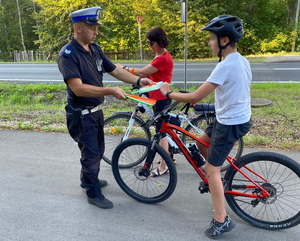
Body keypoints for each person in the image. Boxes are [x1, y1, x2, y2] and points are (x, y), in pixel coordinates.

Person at [160, 15, 252, 238]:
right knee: (201, 142)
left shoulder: (225, 65)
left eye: (212, 39)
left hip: (229, 123)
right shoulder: (241, 60)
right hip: (231, 117)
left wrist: (167, 92)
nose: (209, 43)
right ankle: (216, 177)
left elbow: (198, 93)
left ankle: (221, 220)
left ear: (224, 40)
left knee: (211, 169)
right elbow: (230, 92)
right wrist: (200, 102)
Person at [58, 6, 152, 209]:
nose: (96, 31)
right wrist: (109, 91)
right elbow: (78, 88)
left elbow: (115, 71)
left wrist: (138, 80)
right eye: (92, 27)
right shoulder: (68, 54)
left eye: (96, 27)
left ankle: (87, 179)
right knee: (91, 153)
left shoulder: (95, 49)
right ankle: (92, 191)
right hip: (82, 115)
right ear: (78, 27)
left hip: (96, 112)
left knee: (97, 150)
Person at [117, 27, 174, 177]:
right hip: (157, 96)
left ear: (159, 41)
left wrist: (123, 68)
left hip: (161, 98)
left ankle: (164, 165)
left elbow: (143, 72)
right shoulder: (160, 55)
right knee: (162, 128)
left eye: (151, 42)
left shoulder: (163, 58)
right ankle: (169, 155)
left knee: (161, 133)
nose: (149, 45)